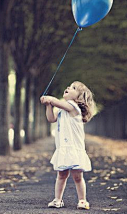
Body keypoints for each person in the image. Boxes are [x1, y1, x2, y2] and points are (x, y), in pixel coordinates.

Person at [40, 81, 95, 210]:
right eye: (69, 86)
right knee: (61, 175)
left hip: (74, 148)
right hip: (64, 148)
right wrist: (48, 105)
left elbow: (59, 103)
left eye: (73, 88)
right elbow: (51, 119)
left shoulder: (73, 107)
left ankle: (82, 200)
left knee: (77, 176)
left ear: (78, 97)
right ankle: (57, 200)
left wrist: (51, 99)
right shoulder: (61, 109)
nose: (68, 88)